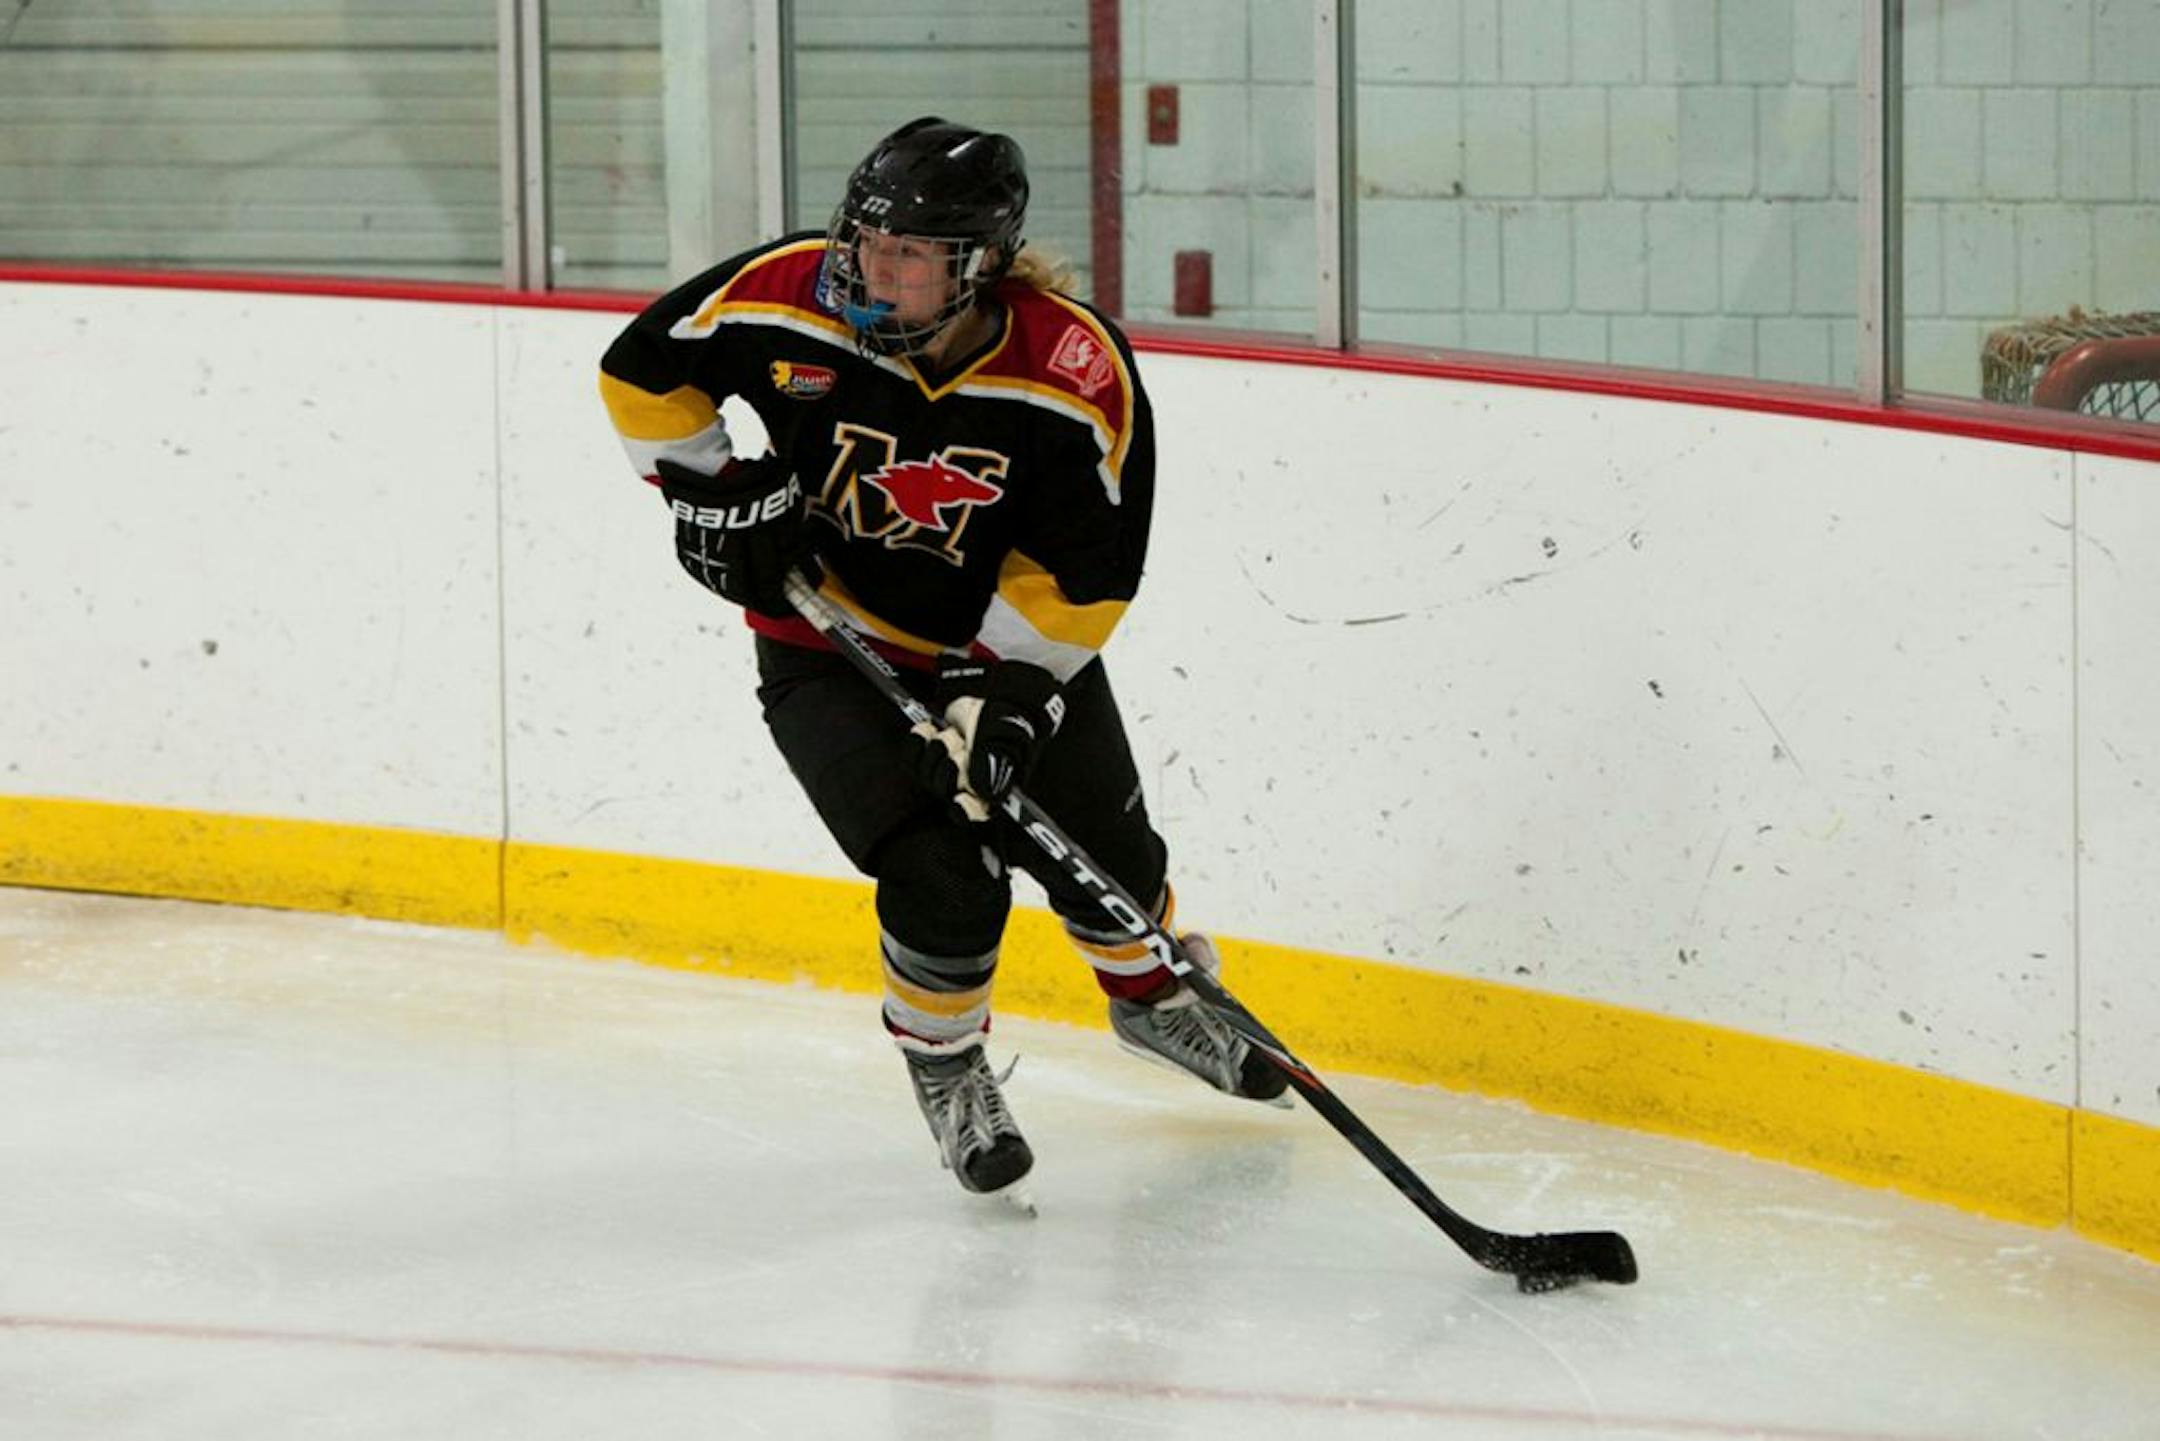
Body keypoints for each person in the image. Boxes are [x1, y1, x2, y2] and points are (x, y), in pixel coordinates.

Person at [597, 116, 1286, 1203]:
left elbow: (1090, 567)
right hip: (828, 651)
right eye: (868, 244)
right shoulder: (785, 294)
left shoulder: (1068, 367)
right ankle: (950, 1068)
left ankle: (1156, 1000)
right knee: (944, 877)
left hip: (998, 649)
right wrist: (715, 491)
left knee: (1099, 848)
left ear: (979, 269)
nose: (876, 272)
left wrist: (1006, 693)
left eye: (911, 257)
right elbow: (643, 372)